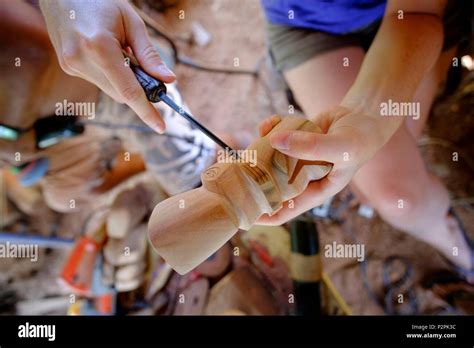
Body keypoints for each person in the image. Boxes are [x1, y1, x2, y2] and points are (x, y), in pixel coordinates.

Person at [258, 0, 473, 282]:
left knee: (400, 196)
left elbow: (417, 13)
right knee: (375, 182)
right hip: (305, 21)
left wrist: (368, 114)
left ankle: (462, 252)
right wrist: (366, 120)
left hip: (413, 12)